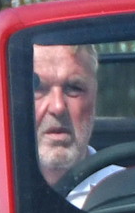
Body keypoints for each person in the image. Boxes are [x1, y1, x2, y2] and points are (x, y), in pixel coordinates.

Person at [34, 42, 99, 194]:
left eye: (74, 88)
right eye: (37, 87)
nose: (58, 107)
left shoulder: (131, 191)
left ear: (95, 97)